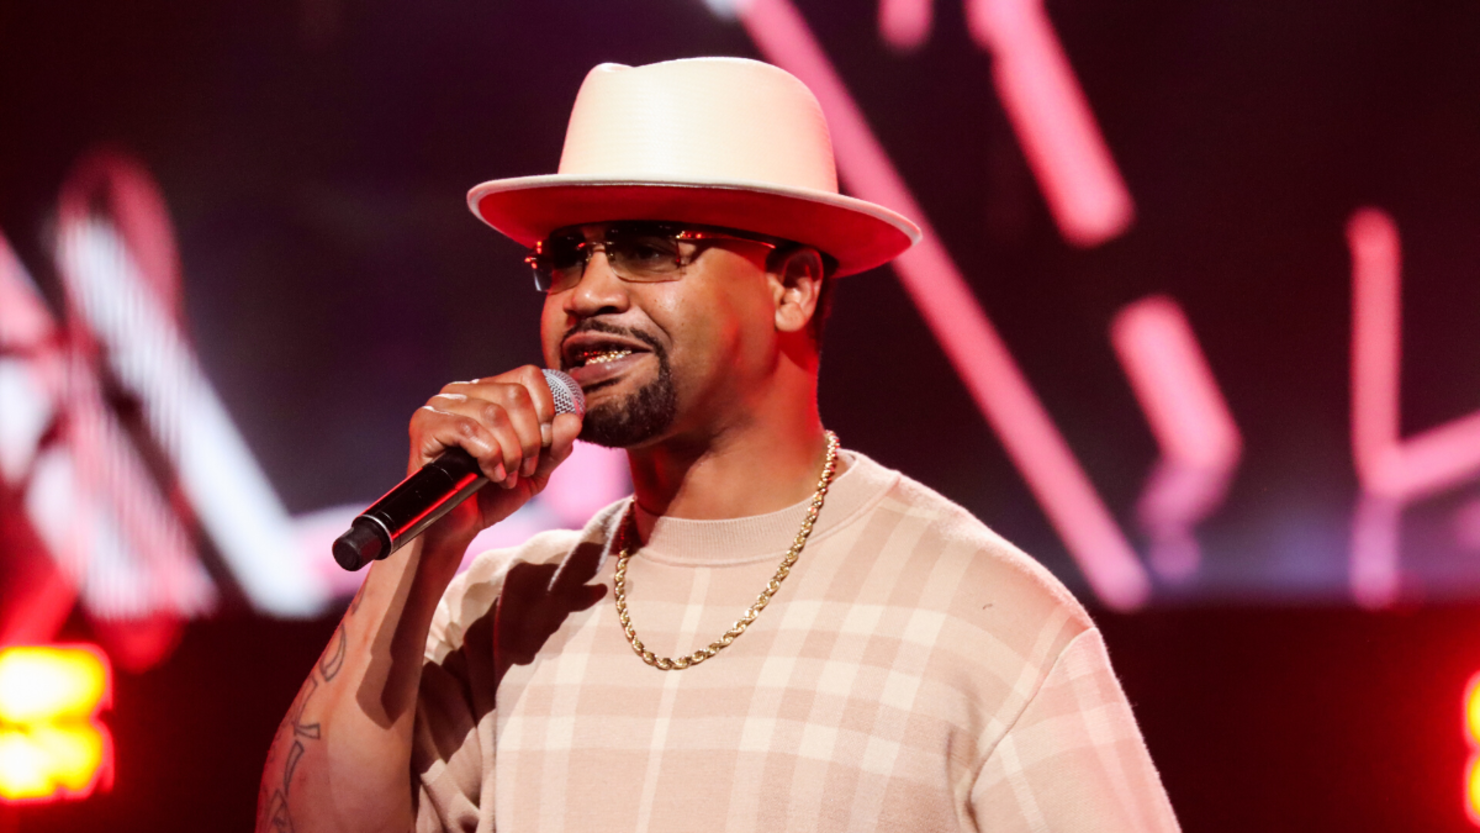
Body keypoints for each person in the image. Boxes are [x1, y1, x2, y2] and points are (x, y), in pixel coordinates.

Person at [257, 57, 1179, 833]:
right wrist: (420, 547)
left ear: (793, 285)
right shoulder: (502, 610)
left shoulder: (987, 619)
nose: (587, 292)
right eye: (566, 255)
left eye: (650, 247)